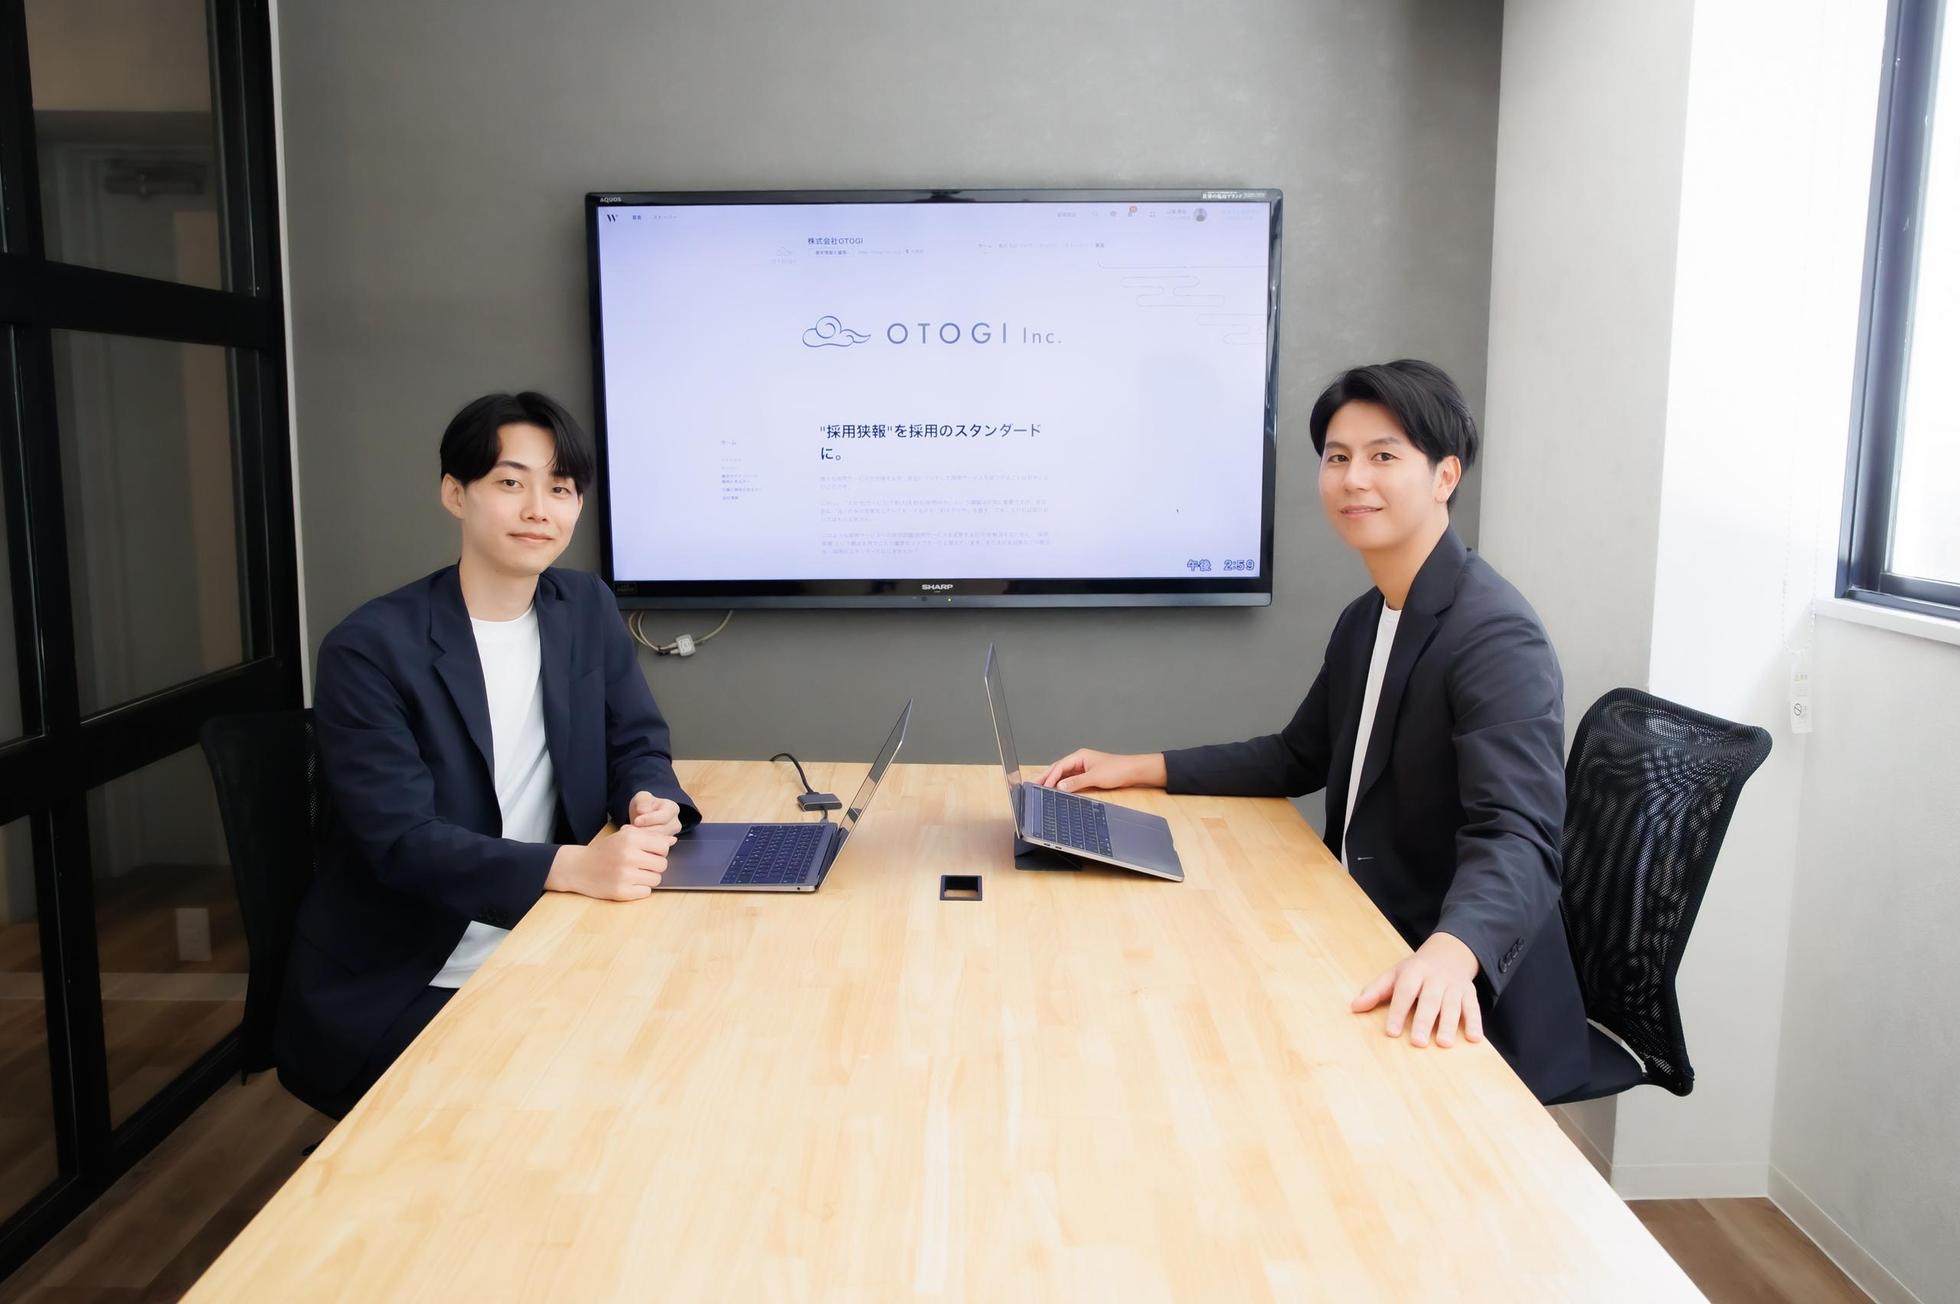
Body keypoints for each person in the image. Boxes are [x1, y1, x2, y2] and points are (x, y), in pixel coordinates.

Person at [1037, 360, 1589, 1103]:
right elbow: (1298, 756)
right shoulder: (1369, 616)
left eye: (1383, 456)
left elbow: (1518, 834)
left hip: (1455, 983)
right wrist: (1137, 767)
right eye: (1337, 457)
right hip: (1358, 921)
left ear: (1445, 475)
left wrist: (1452, 952)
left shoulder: (1495, 636)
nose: (1353, 479)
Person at [278, 391, 698, 1116]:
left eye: (560, 489)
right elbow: (403, 842)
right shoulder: (370, 648)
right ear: (455, 493)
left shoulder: (584, 607)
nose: (539, 509)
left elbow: (636, 739)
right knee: (583, 1102)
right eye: (510, 482)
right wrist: (573, 866)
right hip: (412, 976)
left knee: (682, 1047)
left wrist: (648, 796)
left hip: (550, 935)